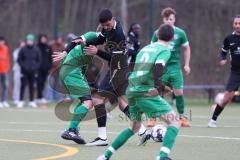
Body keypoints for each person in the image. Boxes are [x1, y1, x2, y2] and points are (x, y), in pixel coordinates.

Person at [97, 24, 180, 160]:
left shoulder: (145, 49)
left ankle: (106, 156)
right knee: (175, 121)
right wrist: (159, 88)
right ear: (172, 39)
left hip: (132, 89)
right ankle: (163, 156)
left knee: (134, 127)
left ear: (157, 35)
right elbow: (158, 67)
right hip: (144, 91)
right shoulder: (164, 50)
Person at [149, 7, 191, 127]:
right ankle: (152, 118)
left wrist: (187, 64)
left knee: (178, 92)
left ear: (174, 19)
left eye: (171, 19)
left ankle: (182, 118)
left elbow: (187, 48)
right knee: (157, 92)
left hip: (175, 67)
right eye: (167, 19)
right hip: (162, 67)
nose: (169, 21)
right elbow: (152, 49)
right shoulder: (157, 33)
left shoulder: (180, 33)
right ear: (163, 19)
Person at [56, 32, 100, 144]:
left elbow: (83, 69)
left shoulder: (91, 49)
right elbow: (76, 40)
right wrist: (65, 51)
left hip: (69, 72)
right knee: (88, 102)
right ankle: (71, 130)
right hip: (71, 73)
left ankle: (73, 129)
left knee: (85, 101)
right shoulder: (93, 35)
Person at [208, 15, 240, 128]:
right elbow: (223, 52)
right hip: (235, 72)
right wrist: (222, 59)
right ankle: (213, 120)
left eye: (239, 23)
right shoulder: (229, 39)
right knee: (227, 98)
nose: (237, 25)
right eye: (236, 23)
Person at [17, 34, 42, 108]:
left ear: (33, 41)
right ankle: (20, 101)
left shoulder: (36, 49)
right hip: (24, 71)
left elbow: (39, 60)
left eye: (31, 40)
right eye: (28, 40)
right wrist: (23, 66)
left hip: (33, 72)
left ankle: (32, 101)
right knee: (22, 86)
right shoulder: (23, 49)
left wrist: (35, 67)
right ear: (26, 41)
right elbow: (19, 60)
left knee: (32, 86)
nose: (29, 42)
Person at [36, 34, 53, 104]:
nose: (43, 39)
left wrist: (49, 67)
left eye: (44, 38)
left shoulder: (48, 47)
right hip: (38, 69)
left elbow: (50, 58)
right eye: (42, 38)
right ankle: (39, 97)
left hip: (45, 69)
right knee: (38, 83)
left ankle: (40, 97)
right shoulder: (36, 47)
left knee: (43, 83)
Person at [12, 41, 25, 105]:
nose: (22, 46)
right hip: (17, 70)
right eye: (21, 45)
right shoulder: (16, 51)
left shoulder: (26, 51)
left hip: (24, 71)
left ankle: (20, 98)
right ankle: (15, 98)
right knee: (17, 84)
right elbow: (17, 59)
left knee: (22, 85)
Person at [0, 36, 10, 108]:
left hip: (4, 71)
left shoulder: (6, 48)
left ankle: (3, 101)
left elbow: (7, 59)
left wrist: (7, 68)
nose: (1, 43)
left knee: (5, 86)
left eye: (2, 41)